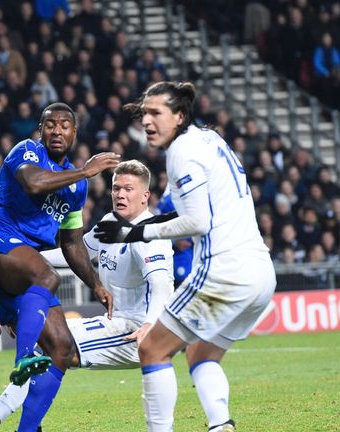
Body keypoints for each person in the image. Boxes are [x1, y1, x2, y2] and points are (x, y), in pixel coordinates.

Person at [94, 82, 276, 432]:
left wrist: (136, 231)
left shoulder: (182, 151)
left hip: (223, 271)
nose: (147, 120)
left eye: (156, 113)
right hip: (260, 272)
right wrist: (152, 217)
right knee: (200, 354)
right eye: (144, 113)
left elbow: (198, 222)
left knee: (152, 349)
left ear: (179, 116)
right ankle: (220, 424)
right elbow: (183, 206)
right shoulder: (209, 139)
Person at [0, 160, 175, 431]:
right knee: (42, 343)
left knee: (57, 347)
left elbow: (162, 283)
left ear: (145, 196)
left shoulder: (149, 234)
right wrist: (20, 260)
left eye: (129, 189)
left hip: (140, 332)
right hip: (114, 322)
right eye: (116, 188)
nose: (120, 194)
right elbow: (74, 255)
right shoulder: (110, 223)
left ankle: (2, 421)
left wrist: (151, 324)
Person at [0, 102, 121, 431]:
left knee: (62, 349)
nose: (57, 131)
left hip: (19, 269)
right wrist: (85, 170)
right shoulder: (28, 152)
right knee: (46, 275)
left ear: (75, 133)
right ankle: (23, 359)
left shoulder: (78, 188)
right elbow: (33, 183)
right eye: (51, 124)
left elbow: (72, 242)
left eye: (65, 125)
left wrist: (96, 284)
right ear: (40, 128)